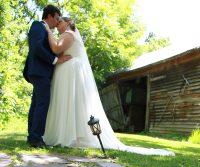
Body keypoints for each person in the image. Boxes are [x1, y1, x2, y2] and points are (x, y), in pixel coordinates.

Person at [43, 17, 174, 156]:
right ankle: (65, 132)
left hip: (72, 76)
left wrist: (48, 31)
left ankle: (69, 135)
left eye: (60, 22)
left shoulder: (69, 34)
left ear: (68, 23)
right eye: (56, 24)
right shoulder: (66, 35)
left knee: (73, 104)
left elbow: (56, 48)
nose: (57, 25)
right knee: (67, 104)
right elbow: (59, 52)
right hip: (67, 76)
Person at [23, 5, 71, 148]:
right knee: (42, 104)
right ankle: (36, 138)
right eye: (56, 18)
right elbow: (37, 47)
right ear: (49, 16)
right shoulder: (38, 25)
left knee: (37, 104)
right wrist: (55, 60)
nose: (57, 22)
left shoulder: (47, 31)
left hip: (39, 72)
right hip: (39, 71)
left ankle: (32, 136)